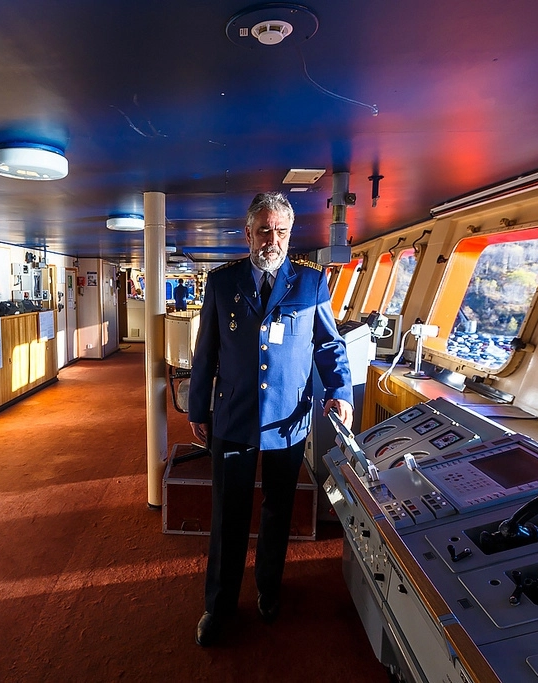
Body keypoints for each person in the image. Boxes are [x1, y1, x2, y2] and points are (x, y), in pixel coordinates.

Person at [187, 191, 353, 646]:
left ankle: (268, 588)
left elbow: (329, 345)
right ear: (248, 233)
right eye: (264, 231)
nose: (272, 240)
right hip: (234, 416)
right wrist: (198, 407)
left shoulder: (311, 283)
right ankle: (219, 605)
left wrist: (339, 391)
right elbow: (206, 351)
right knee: (229, 514)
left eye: (280, 231)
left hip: (287, 419)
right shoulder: (222, 283)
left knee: (278, 510)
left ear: (290, 233)